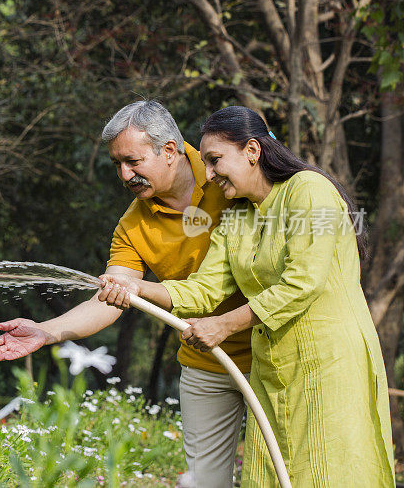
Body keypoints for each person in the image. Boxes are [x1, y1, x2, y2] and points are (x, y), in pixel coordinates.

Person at [99, 106, 395, 487]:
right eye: (205, 162)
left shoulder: (308, 191)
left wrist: (224, 324)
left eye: (215, 160)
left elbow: (302, 284)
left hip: (329, 363)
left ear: (252, 151)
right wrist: (138, 289)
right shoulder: (239, 215)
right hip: (272, 370)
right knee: (273, 475)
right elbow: (204, 288)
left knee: (331, 471)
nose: (207, 174)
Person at [0, 100, 252, 487]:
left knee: (275, 474)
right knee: (207, 482)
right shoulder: (132, 225)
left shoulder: (224, 172)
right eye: (117, 165)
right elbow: (110, 296)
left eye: (133, 161)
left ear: (169, 151)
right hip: (206, 360)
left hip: (268, 353)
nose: (124, 174)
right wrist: (49, 332)